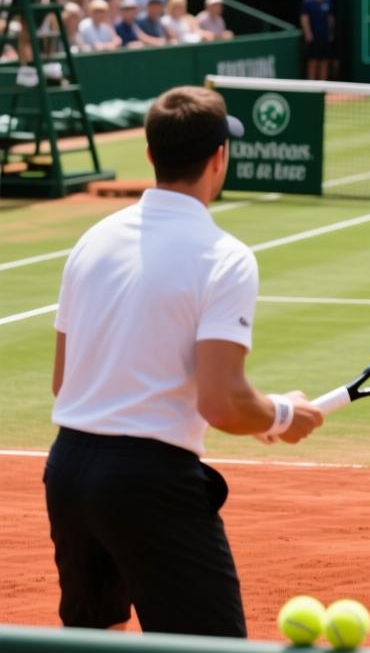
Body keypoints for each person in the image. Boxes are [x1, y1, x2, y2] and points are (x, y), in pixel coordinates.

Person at [45, 86, 325, 636]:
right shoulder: (225, 257)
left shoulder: (92, 239)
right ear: (220, 156)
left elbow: (63, 381)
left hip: (68, 471)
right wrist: (281, 415)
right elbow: (222, 403)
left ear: (150, 154)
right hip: (149, 483)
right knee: (211, 649)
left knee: (92, 639)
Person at [300, 0, 334, 80]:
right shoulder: (307, 1)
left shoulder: (328, 0)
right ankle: (311, 83)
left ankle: (323, 84)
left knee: (324, 60)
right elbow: (304, 18)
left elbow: (330, 18)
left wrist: (331, 33)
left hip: (324, 35)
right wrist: (308, 33)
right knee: (313, 60)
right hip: (313, 36)